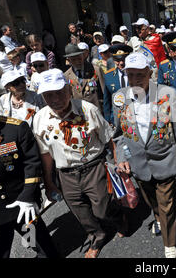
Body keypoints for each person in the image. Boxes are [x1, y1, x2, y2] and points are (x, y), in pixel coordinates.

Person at [32, 69, 124, 258]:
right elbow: (45, 154)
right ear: (42, 96)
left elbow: (108, 139)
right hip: (66, 174)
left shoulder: (88, 109)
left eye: (59, 92)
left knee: (102, 208)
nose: (55, 98)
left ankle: (118, 216)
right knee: (80, 212)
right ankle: (97, 236)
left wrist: (118, 163)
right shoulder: (40, 119)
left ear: (69, 90)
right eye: (49, 95)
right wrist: (49, 183)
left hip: (94, 168)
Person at [0, 77, 58, 258]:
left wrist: (28, 196)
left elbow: (32, 163)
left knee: (40, 248)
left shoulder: (13, 129)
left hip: (20, 206)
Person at [112, 53, 176, 258]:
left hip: (165, 158)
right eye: (130, 75)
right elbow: (118, 135)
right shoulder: (120, 97)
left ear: (150, 73)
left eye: (139, 76)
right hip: (138, 163)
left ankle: (169, 243)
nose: (134, 81)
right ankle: (157, 216)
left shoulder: (168, 93)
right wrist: (121, 158)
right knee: (150, 197)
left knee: (166, 203)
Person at [63, 44, 104, 111]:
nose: (77, 62)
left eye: (79, 58)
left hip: (96, 111)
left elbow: (105, 93)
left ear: (83, 56)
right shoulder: (66, 76)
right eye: (73, 60)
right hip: (80, 114)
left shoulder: (96, 70)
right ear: (69, 60)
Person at [103, 44, 133, 124]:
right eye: (118, 60)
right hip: (116, 120)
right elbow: (107, 101)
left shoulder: (135, 74)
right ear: (113, 59)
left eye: (124, 59)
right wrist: (108, 121)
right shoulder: (108, 76)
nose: (121, 63)